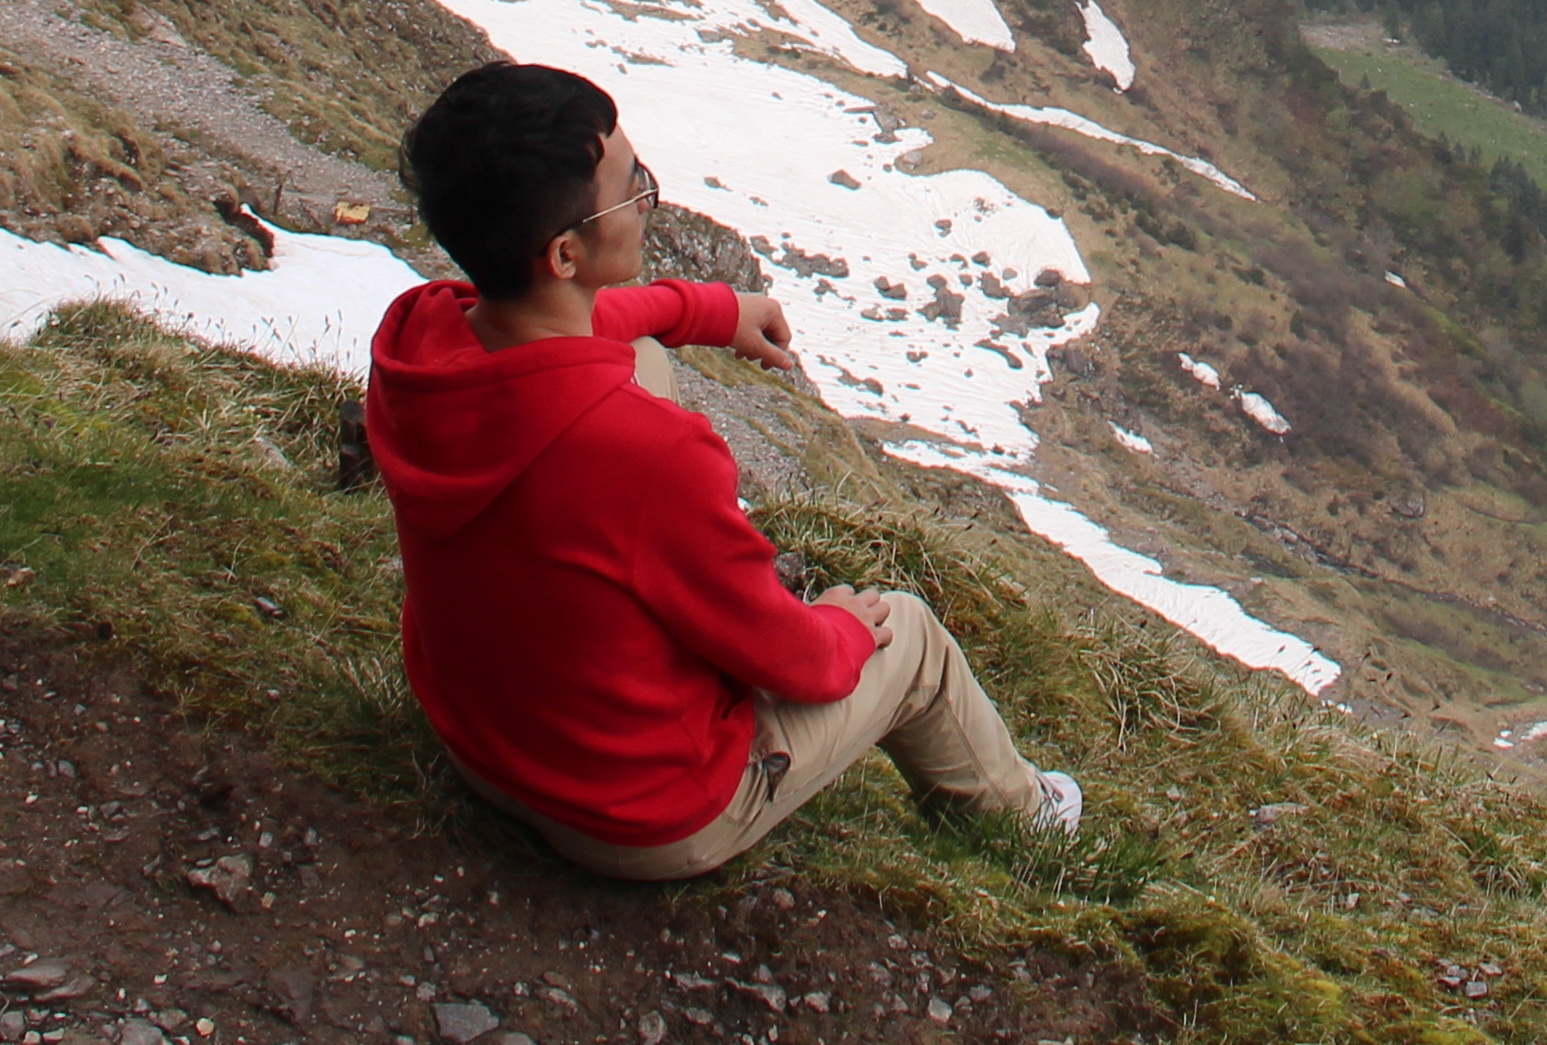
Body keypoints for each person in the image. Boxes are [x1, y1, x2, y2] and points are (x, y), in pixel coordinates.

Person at [367, 58, 1079, 879]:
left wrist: (706, 310)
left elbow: (575, 331)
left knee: (636, 358)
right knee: (909, 638)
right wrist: (844, 624)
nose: (645, 197)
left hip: (481, 739)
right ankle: (1029, 822)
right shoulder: (644, 456)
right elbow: (792, 657)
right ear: (565, 254)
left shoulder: (417, 338)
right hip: (636, 815)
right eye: (632, 190)